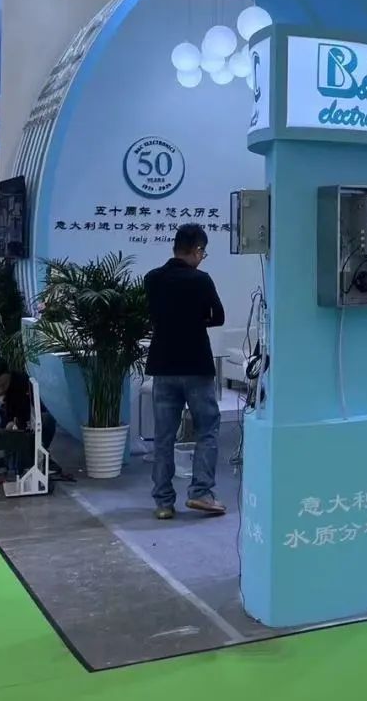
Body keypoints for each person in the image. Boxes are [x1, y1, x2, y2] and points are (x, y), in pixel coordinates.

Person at [144, 223, 227, 521]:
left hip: (163, 365)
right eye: (203, 252)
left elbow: (154, 315)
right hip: (196, 364)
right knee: (207, 428)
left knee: (164, 436)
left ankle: (163, 502)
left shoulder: (152, 278)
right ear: (197, 250)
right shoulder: (201, 280)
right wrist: (196, 320)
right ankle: (201, 493)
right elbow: (218, 316)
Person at [0, 356, 56, 478]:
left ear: (10, 376)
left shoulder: (21, 380)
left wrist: (19, 423)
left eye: (5, 384)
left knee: (47, 419)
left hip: (23, 428)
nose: (1, 390)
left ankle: (39, 457)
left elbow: (40, 409)